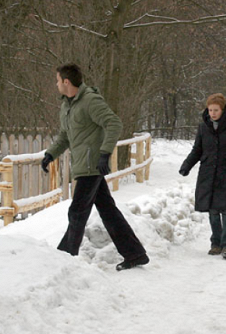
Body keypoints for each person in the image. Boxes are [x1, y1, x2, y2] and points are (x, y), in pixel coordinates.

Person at [41, 63, 149, 271]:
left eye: (57, 80)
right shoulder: (67, 105)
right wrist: (50, 154)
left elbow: (114, 123)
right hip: (83, 164)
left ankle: (64, 259)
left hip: (91, 165)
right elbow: (65, 135)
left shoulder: (90, 100)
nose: (56, 84)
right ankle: (135, 254)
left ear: (66, 81)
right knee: (108, 211)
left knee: (77, 212)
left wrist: (105, 153)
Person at [179, 93, 226, 260]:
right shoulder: (203, 127)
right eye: (210, 110)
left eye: (216, 110)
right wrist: (186, 166)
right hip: (208, 174)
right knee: (213, 211)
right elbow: (197, 150)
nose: (212, 113)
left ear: (223, 110)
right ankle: (216, 243)